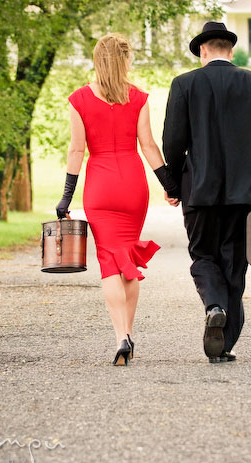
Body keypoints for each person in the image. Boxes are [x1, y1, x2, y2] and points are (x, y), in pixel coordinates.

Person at [162, 22, 251, 363]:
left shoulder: (184, 84)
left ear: (202, 50)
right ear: (230, 51)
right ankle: (224, 345)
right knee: (234, 264)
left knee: (203, 256)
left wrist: (172, 185)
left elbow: (173, 140)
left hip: (198, 190)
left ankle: (214, 306)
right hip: (246, 193)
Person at [55, 34, 179, 366]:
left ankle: (121, 336)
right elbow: (149, 146)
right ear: (125, 60)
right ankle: (130, 333)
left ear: (97, 61)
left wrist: (66, 197)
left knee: (109, 262)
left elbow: (77, 150)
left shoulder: (79, 99)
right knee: (128, 261)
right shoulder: (137, 98)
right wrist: (170, 184)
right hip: (132, 185)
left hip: (100, 186)